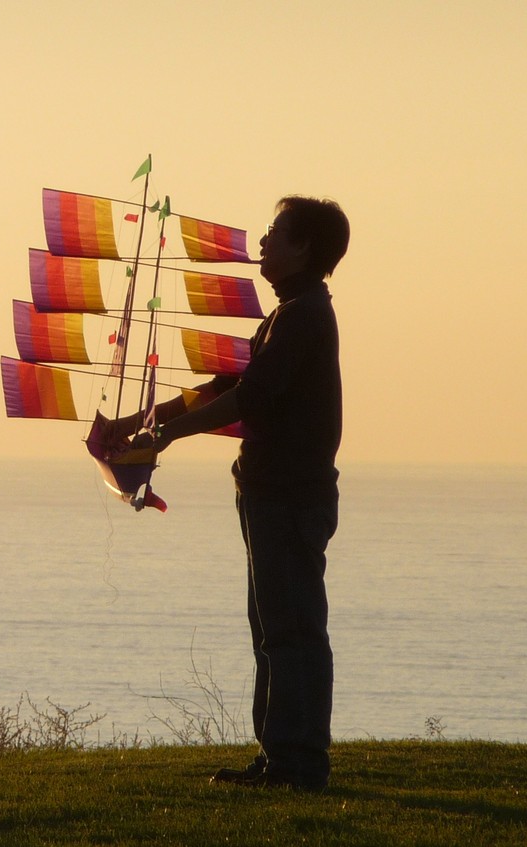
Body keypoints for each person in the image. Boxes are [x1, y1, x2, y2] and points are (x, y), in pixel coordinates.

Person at [117, 195, 350, 792]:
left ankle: (298, 764)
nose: (263, 242)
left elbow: (250, 397)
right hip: (273, 494)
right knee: (273, 626)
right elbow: (232, 382)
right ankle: (281, 758)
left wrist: (163, 433)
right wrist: (147, 418)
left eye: (276, 233)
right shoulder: (286, 314)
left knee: (290, 629)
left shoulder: (303, 316)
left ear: (304, 249)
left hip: (289, 497)